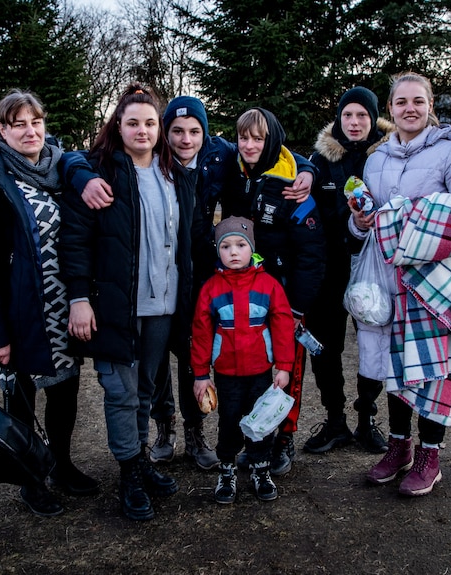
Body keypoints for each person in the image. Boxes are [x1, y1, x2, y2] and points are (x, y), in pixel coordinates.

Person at [71, 96, 315, 470]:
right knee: (153, 364)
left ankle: (195, 430)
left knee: (191, 355)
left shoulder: (220, 155)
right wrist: (81, 174)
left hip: (200, 270)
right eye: (177, 131)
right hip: (153, 275)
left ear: (205, 133)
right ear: (164, 133)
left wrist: (307, 168)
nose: (186, 139)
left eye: (195, 131)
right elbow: (74, 160)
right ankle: (163, 425)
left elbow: (265, 148)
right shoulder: (147, 162)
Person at [0, 89, 98, 517]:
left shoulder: (58, 166)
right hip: (18, 312)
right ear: (1, 130)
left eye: (36, 122)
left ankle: (62, 466)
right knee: (22, 401)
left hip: (61, 307)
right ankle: (30, 480)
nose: (30, 131)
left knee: (65, 394)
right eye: (19, 124)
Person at [352, 72, 451, 496]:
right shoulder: (376, 158)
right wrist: (360, 220)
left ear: (430, 106)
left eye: (418, 101)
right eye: (401, 102)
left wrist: (413, 217)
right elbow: (369, 221)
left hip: (437, 284)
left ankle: (430, 455)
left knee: (435, 370)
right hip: (387, 279)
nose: (409, 109)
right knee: (394, 366)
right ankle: (399, 447)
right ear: (391, 108)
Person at [58, 83, 199, 521]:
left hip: (163, 305)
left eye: (150, 123)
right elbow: (75, 241)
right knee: (119, 391)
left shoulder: (174, 174)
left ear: (160, 129)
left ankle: (138, 459)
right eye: (132, 122)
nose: (142, 130)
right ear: (117, 126)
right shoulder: (99, 174)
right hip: (116, 305)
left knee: (144, 389)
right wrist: (80, 298)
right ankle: (129, 474)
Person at [221, 107, 326, 476]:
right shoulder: (232, 170)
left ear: (272, 141)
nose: (249, 145)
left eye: (258, 138)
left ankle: (285, 438)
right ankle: (257, 440)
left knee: (286, 368)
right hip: (246, 295)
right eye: (243, 137)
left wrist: (297, 306)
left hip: (283, 297)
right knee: (254, 370)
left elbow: (312, 254)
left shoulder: (293, 181)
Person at [302, 86, 395, 456]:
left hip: (375, 268)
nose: (354, 123)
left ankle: (366, 418)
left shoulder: (389, 154)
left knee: (373, 343)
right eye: (347, 115)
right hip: (331, 267)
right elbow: (310, 210)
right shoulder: (321, 158)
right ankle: (335, 420)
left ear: (373, 119)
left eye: (362, 115)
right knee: (325, 346)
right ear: (338, 119)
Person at [191, 216, 296, 503]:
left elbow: (284, 327)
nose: (233, 252)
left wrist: (284, 366)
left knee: (260, 422)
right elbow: (201, 334)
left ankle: (261, 469)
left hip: (260, 372)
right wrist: (201, 374)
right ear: (217, 251)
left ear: (252, 249)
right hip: (226, 373)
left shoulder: (268, 285)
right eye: (225, 246)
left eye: (240, 245)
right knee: (228, 422)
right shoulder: (211, 289)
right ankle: (227, 470)